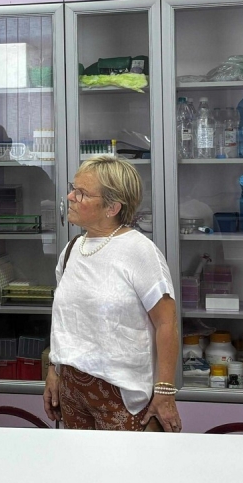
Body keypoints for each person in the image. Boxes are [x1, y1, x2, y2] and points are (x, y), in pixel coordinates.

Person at [43, 156, 182, 432]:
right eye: (73, 188)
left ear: (112, 207)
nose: (70, 197)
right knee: (78, 460)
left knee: (125, 462)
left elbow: (167, 324)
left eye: (82, 193)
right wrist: (53, 369)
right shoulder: (72, 250)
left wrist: (165, 391)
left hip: (122, 394)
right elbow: (63, 321)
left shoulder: (139, 251)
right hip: (72, 388)